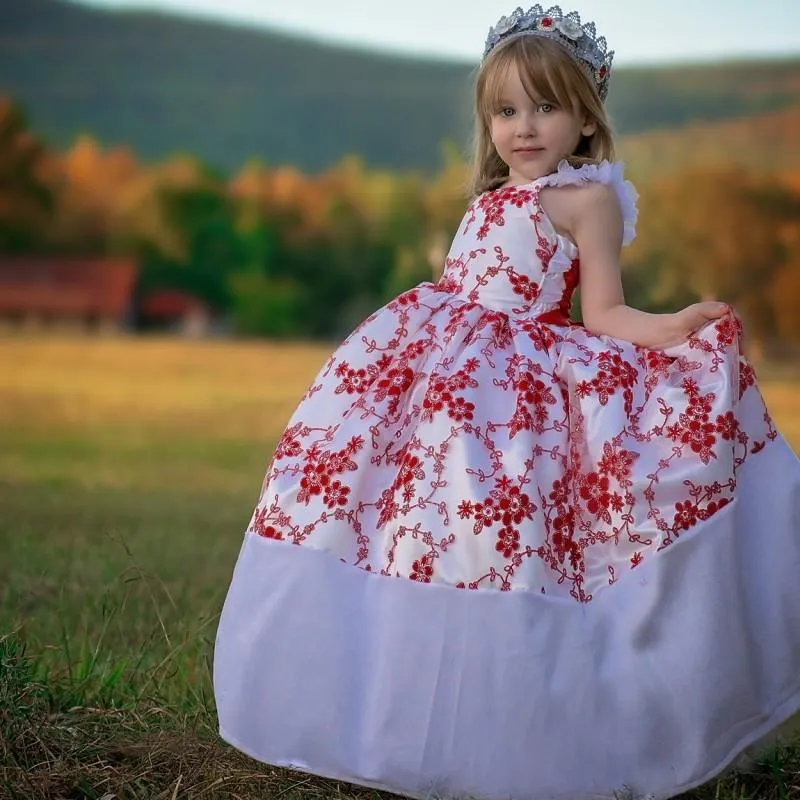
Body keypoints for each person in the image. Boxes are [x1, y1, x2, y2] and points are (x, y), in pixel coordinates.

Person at [214, 5, 800, 799]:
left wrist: (677, 328)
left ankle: (512, 726)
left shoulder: (585, 200)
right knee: (403, 524)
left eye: (546, 106)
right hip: (427, 381)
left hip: (509, 397)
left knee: (500, 540)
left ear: (586, 120)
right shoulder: (487, 200)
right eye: (505, 110)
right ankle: (370, 702)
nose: (524, 127)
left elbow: (604, 315)